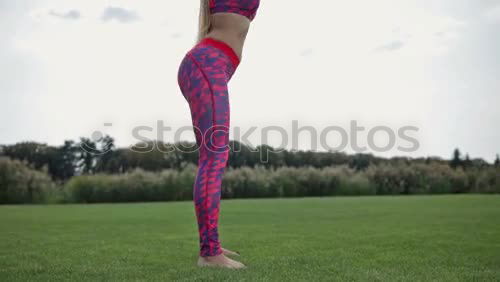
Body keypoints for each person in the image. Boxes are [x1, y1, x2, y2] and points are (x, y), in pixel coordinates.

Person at [177, 0, 260, 269]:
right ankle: (209, 253)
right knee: (214, 156)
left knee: (213, 156)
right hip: (207, 64)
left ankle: (210, 244)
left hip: (211, 65)